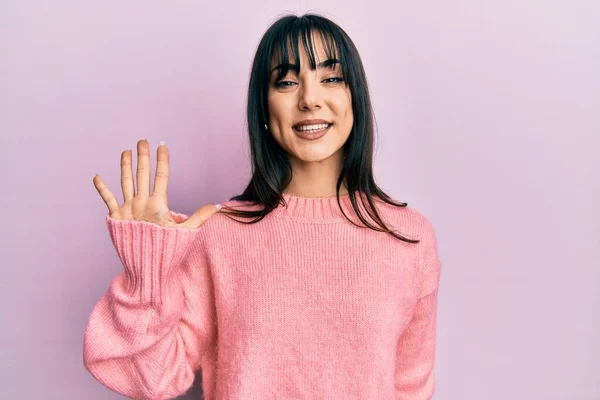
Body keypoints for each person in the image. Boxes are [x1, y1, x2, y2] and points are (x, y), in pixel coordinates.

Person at [84, 13, 442, 400]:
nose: (309, 99)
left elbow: (411, 388)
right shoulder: (219, 234)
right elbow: (149, 379)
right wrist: (147, 270)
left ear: (355, 97)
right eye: (287, 82)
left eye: (331, 78)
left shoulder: (409, 238)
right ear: (265, 111)